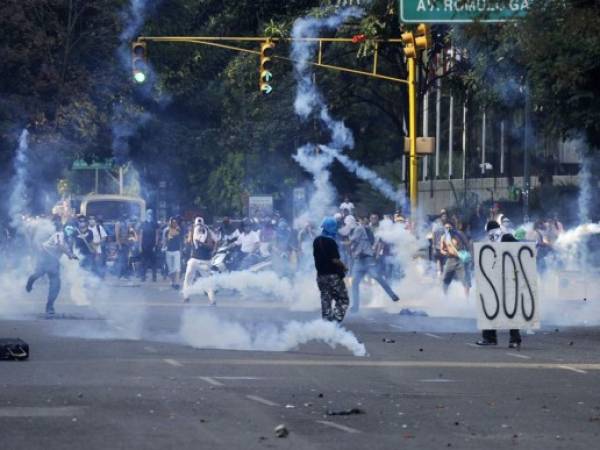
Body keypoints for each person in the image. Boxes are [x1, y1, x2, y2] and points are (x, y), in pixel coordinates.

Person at [476, 221, 522, 349]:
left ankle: (515, 339)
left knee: (510, 309)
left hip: (508, 279)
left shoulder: (506, 237)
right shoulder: (491, 242)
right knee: (490, 308)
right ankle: (489, 337)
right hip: (495, 280)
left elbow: (520, 250)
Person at [349, 216, 399, 312]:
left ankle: (392, 295)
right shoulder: (360, 231)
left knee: (377, 277)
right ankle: (355, 306)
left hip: (367, 259)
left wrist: (340, 242)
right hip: (359, 260)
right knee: (355, 282)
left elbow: (351, 241)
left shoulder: (359, 229)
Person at [26, 224, 77, 317]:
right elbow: (60, 246)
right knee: (39, 274)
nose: (70, 231)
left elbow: (70, 252)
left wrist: (72, 256)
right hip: (45, 254)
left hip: (54, 259)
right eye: (68, 228)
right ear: (64, 229)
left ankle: (50, 306)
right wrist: (70, 254)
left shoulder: (70, 240)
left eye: (72, 229)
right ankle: (31, 281)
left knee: (56, 283)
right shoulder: (59, 235)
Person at [313, 217, 349, 322]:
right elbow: (335, 260)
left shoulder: (316, 240)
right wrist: (344, 266)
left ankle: (326, 323)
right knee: (343, 299)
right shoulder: (331, 242)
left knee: (326, 299)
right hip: (333, 275)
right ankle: (335, 321)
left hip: (320, 275)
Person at [183, 217, 216, 304]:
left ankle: (186, 297)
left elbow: (189, 241)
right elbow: (216, 241)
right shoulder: (207, 230)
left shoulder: (195, 229)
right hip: (204, 260)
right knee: (206, 281)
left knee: (189, 278)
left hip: (197, 259)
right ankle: (212, 300)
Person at [440, 220, 470, 297]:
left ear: (452, 227)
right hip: (450, 260)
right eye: (446, 227)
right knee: (445, 280)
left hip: (461, 260)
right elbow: (442, 249)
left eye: (449, 227)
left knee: (465, 281)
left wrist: (466, 255)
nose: (448, 229)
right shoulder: (444, 237)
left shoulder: (459, 234)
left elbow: (467, 244)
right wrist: (445, 252)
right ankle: (445, 298)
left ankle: (467, 300)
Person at [139, 209, 159, 282]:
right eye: (148, 214)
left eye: (150, 213)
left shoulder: (155, 224)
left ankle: (154, 277)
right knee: (144, 262)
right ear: (146, 215)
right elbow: (141, 235)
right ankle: (143, 277)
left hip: (152, 246)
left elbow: (157, 235)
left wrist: (155, 245)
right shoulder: (143, 224)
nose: (149, 215)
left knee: (153, 262)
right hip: (144, 245)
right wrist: (140, 246)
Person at [163, 217, 183, 290]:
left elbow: (180, 240)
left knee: (177, 267)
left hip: (176, 251)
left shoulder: (178, 230)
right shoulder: (166, 230)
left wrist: (181, 250)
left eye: (175, 222)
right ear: (170, 223)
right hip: (168, 251)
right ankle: (172, 281)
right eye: (172, 222)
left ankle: (176, 283)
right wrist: (164, 247)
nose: (174, 223)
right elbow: (164, 240)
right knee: (171, 268)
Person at [115, 214, 131, 279]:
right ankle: (119, 274)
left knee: (126, 260)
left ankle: (125, 274)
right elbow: (117, 235)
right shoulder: (118, 224)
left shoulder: (127, 223)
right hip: (121, 244)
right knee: (121, 260)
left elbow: (129, 234)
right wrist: (119, 245)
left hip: (126, 244)